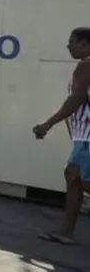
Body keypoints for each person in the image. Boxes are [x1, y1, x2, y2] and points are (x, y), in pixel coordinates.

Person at [34, 26, 90, 245]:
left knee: (82, 181)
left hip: (87, 137)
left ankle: (66, 232)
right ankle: (65, 232)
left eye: (72, 41)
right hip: (83, 137)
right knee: (74, 177)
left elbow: (74, 102)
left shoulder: (86, 65)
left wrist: (47, 124)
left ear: (84, 43)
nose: (68, 46)